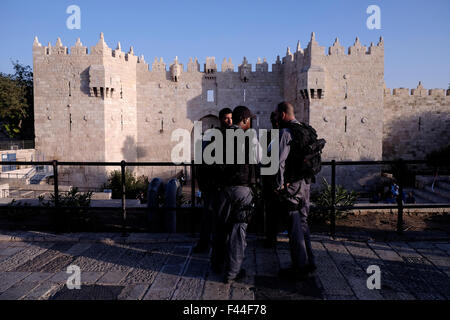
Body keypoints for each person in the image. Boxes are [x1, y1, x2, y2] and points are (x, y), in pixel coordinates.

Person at [211, 105, 257, 283]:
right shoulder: (248, 138)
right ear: (244, 120)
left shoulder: (218, 136)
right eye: (249, 120)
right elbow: (260, 159)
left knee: (220, 228)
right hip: (242, 189)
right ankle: (232, 273)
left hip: (222, 189)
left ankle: (217, 264)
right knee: (238, 232)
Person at [275, 101, 316, 280]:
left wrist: (279, 185)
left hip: (293, 185)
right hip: (306, 183)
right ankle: (309, 261)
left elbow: (279, 162)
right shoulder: (306, 130)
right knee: (303, 222)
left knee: (294, 224)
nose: (276, 118)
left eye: (277, 115)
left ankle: (299, 265)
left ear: (283, 114)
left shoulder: (286, 132)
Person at [193, 108, 233, 253]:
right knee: (209, 214)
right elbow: (202, 158)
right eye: (227, 118)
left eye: (231, 118)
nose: (229, 121)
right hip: (213, 183)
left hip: (223, 184)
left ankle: (215, 245)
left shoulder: (230, 136)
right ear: (221, 119)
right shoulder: (213, 136)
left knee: (219, 216)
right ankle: (204, 244)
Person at [263, 111, 280, 248]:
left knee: (270, 211)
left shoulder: (268, 136)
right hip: (277, 181)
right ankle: (271, 237)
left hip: (270, 180)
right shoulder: (286, 135)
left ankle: (270, 237)